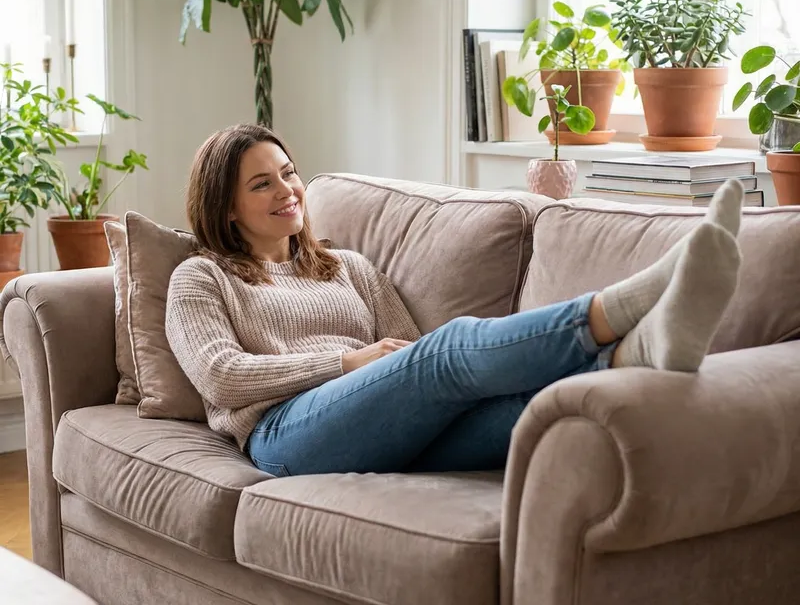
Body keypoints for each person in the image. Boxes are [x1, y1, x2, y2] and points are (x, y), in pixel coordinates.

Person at [165, 124, 744, 477]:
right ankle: (629, 300)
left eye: (289, 173)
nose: (288, 190)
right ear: (226, 208)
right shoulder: (202, 278)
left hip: (379, 422)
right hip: (283, 434)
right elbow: (221, 377)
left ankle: (637, 353)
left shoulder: (348, 267)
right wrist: (348, 363)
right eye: (261, 183)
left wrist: (381, 370)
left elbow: (408, 361)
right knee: (447, 352)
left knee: (527, 414)